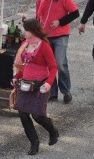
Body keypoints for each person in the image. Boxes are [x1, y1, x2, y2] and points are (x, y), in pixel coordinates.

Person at [12, 18, 59, 155]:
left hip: (40, 86)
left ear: (33, 31)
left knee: (37, 116)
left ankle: (52, 130)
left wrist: (48, 83)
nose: (24, 32)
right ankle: (34, 141)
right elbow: (24, 65)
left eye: (26, 30)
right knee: (22, 113)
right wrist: (16, 77)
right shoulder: (25, 44)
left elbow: (53, 67)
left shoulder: (44, 46)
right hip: (26, 84)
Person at [36, 0, 79, 103]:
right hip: (45, 36)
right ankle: (52, 91)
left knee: (60, 63)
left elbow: (75, 13)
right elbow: (38, 18)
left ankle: (66, 91)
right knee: (48, 64)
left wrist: (60, 22)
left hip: (61, 35)